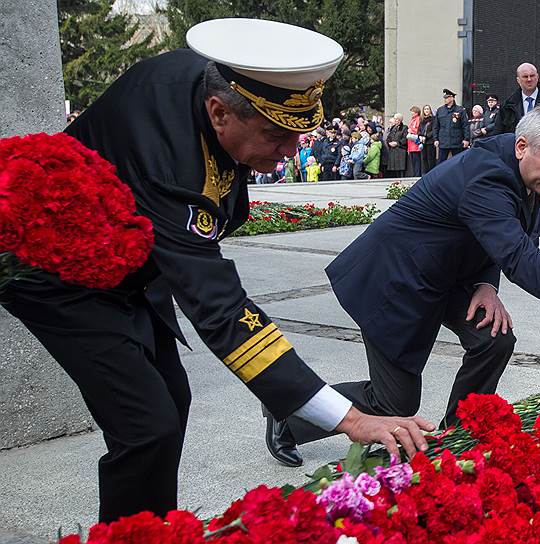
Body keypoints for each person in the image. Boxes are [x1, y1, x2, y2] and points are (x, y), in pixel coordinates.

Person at [0, 19, 435, 524]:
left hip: (132, 259)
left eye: (299, 135)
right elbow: (221, 311)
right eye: (277, 136)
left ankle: (149, 528)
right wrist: (350, 418)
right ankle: (132, 537)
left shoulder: (229, 79)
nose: (291, 152)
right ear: (219, 111)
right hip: (60, 276)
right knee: (147, 424)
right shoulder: (168, 157)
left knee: (172, 401)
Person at [267, 106, 540, 456]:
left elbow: (508, 239)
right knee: (394, 402)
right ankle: (291, 411)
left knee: (492, 339)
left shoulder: (531, 176)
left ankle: (459, 435)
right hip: (396, 279)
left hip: (447, 274)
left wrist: (487, 284)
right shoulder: (487, 175)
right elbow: (520, 258)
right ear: (522, 146)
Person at [495, 63, 540, 134]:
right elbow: (498, 134)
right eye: (525, 76)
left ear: (537, 77)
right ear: (518, 80)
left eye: (532, 76)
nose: (529, 79)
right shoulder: (507, 107)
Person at [433, 89, 470, 163]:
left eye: (447, 97)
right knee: (441, 163)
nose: (445, 99)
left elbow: (465, 125)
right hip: (443, 142)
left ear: (452, 98)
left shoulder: (460, 110)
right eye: (445, 98)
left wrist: (466, 139)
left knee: (457, 162)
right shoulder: (440, 110)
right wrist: (435, 139)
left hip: (456, 142)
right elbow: (436, 126)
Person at [384, 113, 408, 178]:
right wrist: (389, 143)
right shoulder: (393, 128)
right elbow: (388, 137)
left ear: (399, 120)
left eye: (395, 119)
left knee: (401, 167)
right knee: (394, 168)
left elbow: (405, 138)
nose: (394, 120)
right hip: (393, 150)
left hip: (401, 150)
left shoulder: (404, 127)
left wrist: (397, 143)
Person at [406, 105, 423, 177]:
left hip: (415, 143)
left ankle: (417, 174)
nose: (411, 113)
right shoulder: (413, 119)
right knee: (413, 160)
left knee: (416, 160)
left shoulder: (418, 119)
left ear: (416, 112)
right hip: (411, 143)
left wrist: (411, 130)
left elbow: (418, 130)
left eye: (413, 112)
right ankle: (415, 174)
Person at [419, 104, 437, 173]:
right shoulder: (422, 120)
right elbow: (419, 130)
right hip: (423, 142)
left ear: (430, 111)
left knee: (431, 159)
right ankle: (425, 174)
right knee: (424, 159)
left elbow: (433, 130)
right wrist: (420, 136)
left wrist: (426, 137)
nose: (426, 110)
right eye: (425, 109)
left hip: (430, 142)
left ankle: (431, 173)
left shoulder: (433, 119)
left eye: (428, 109)